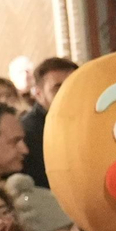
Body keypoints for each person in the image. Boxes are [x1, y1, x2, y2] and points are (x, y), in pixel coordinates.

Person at [18, 57, 77, 188]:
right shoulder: (28, 132)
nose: (67, 92)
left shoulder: (87, 121)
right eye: (57, 88)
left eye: (74, 84)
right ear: (39, 94)